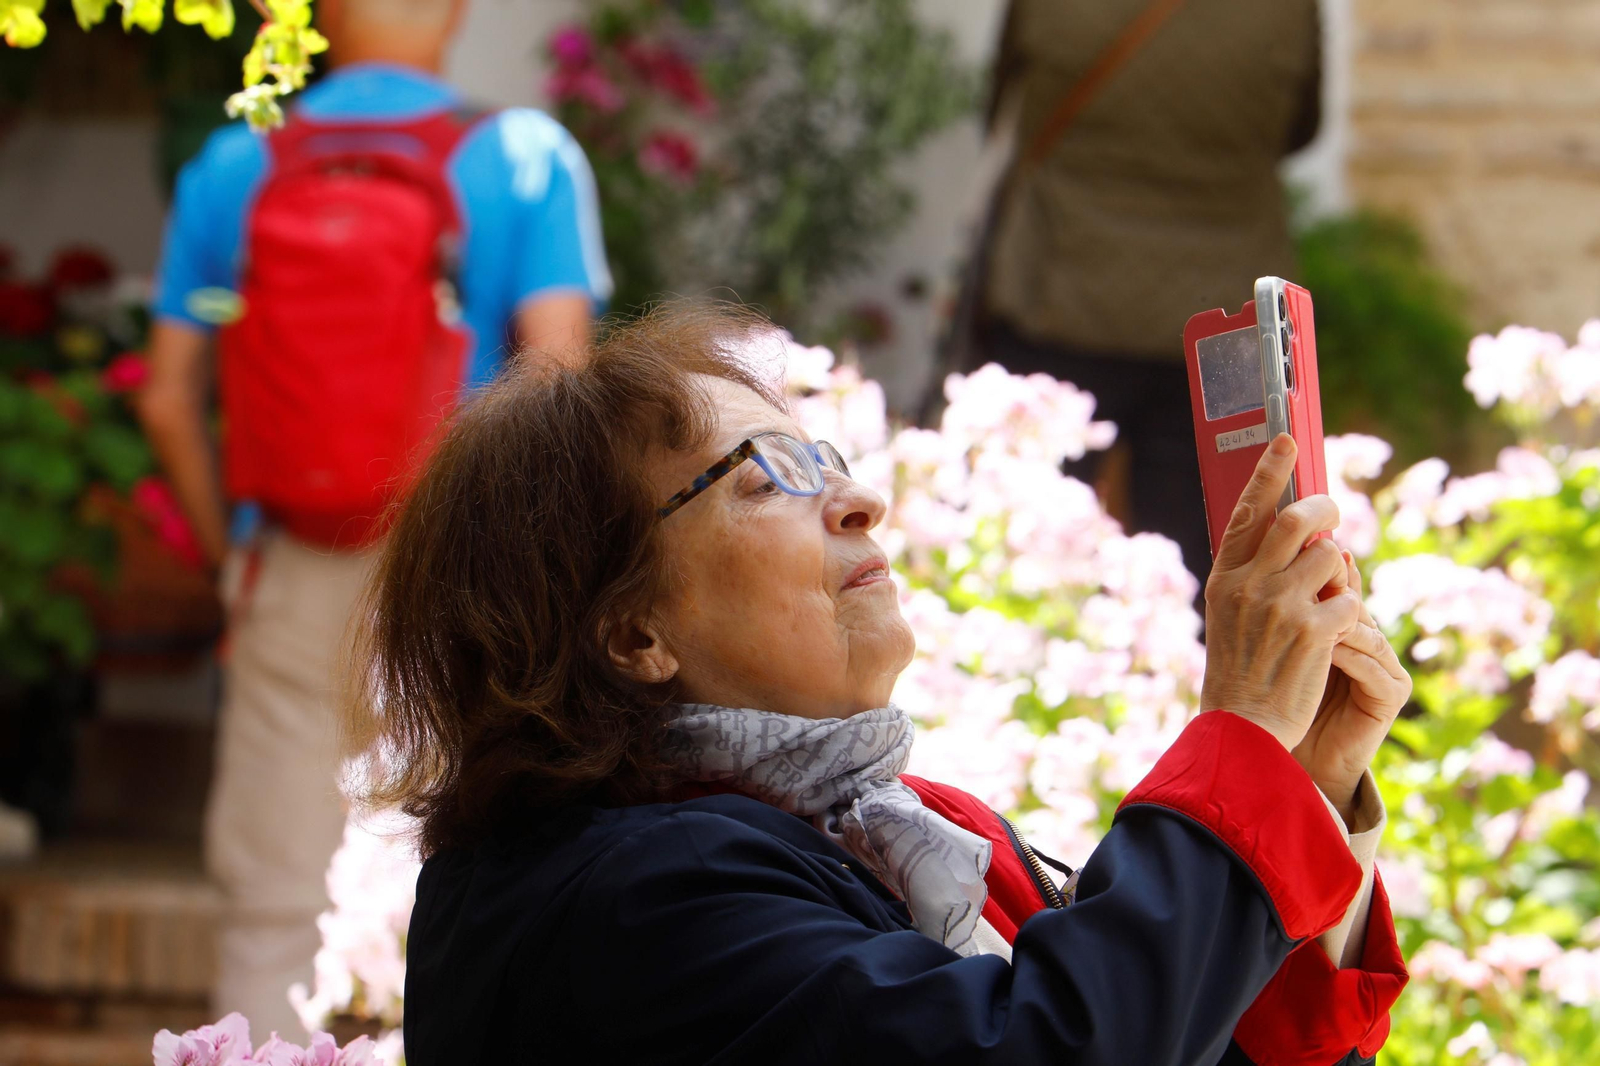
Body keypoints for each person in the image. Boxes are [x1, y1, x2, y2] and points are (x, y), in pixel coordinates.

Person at [346, 303, 1410, 1064]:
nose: (858, 500)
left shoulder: (907, 829)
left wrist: (1302, 784)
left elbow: (1174, 1034)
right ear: (630, 632)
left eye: (830, 458)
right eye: (772, 474)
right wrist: (1238, 747)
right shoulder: (626, 902)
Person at [137, 0, 611, 1034]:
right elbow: (558, 382)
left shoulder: (234, 164)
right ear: (453, 11)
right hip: (465, 567)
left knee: (272, 898)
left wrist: (236, 554)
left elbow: (168, 395)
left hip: (290, 557)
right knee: (476, 875)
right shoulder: (524, 156)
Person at [952, 0, 1323, 586]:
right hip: (1224, 308)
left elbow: (1002, 101)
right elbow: (1300, 128)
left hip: (1063, 285)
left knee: (1027, 543)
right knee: (1211, 557)